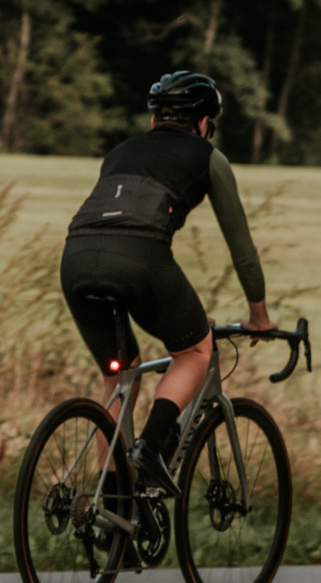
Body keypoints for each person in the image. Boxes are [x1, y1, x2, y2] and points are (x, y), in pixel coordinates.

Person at [59, 70, 272, 496]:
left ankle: (112, 509)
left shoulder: (120, 151)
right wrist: (258, 316)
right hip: (140, 257)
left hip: (76, 257)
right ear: (204, 122)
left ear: (156, 118)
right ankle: (152, 449)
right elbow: (242, 249)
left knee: (119, 376)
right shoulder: (207, 155)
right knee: (195, 348)